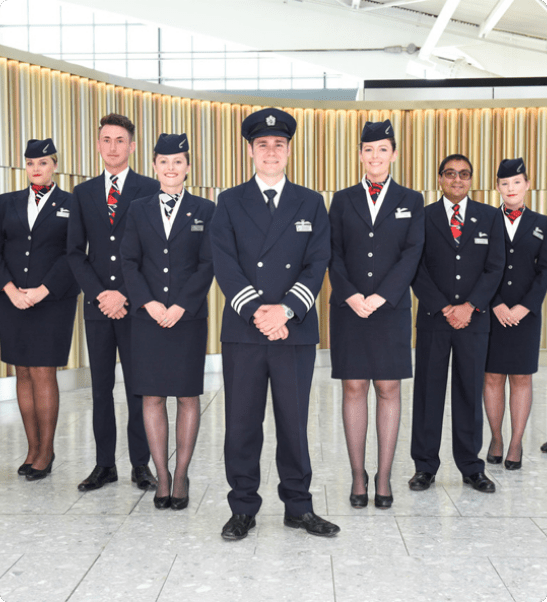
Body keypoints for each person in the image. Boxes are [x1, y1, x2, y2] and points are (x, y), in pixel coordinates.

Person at [210, 108, 339, 540]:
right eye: (262, 144)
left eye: (278, 144)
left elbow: (317, 261)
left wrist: (284, 311)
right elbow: (225, 264)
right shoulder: (230, 201)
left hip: (293, 330)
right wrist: (258, 313)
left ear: (288, 150)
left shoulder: (311, 201)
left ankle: (298, 507)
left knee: (294, 424)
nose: (270, 151)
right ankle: (242, 507)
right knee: (241, 424)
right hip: (245, 331)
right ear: (250, 151)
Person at [329, 120, 424, 509]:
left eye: (382, 149)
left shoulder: (411, 200)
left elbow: (412, 253)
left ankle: (383, 476)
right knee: (353, 388)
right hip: (349, 308)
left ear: (394, 154)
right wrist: (352, 295)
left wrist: (382, 296)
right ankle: (358, 475)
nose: (375, 156)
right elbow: (332, 252)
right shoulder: (342, 199)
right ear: (360, 154)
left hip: (391, 308)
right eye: (368, 149)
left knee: (388, 388)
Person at [121, 133, 214, 509]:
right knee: (153, 396)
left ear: (188, 166)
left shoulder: (206, 209)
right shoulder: (137, 208)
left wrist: (180, 306)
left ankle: (182, 474)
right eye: (164, 161)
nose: (171, 167)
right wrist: (148, 303)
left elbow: (208, 263)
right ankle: (162, 475)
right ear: (154, 165)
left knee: (187, 396)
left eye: (178, 161)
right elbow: (129, 261)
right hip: (148, 319)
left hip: (187, 319)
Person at [67, 114, 160, 492]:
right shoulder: (83, 192)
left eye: (120, 140)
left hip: (135, 306)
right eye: (106, 140)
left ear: (132, 146)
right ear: (98, 145)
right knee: (101, 389)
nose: (112, 147)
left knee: (139, 388)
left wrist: (124, 292)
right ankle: (104, 465)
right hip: (98, 308)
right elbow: (75, 252)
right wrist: (100, 294)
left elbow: (154, 251)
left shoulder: (150, 188)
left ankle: (141, 465)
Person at [409, 154, 505, 493]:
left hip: (474, 321)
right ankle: (424, 467)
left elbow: (495, 267)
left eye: (464, 174)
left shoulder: (490, 217)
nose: (457, 179)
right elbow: (415, 267)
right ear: (440, 179)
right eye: (450, 173)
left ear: (471, 180)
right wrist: (444, 307)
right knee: (428, 393)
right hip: (434, 319)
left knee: (468, 392)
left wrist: (470, 306)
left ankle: (471, 467)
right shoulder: (423, 217)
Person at [0, 138, 79, 480]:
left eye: (43, 162)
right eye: (31, 163)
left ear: (54, 165)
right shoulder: (6, 202)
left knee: (44, 371)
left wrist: (42, 291)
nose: (36, 168)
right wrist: (10, 290)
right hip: (11, 299)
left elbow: (74, 253)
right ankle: (31, 448)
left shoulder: (72, 204)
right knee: (22, 372)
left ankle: (46, 451)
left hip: (53, 300)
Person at [483, 158, 547, 469]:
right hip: (491, 312)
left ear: (527, 185)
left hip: (526, 315)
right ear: (497, 187)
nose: (511, 188)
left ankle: (516, 443)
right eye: (505, 183)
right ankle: (496, 438)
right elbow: (477, 267)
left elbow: (545, 271)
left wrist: (525, 306)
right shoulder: (485, 221)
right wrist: (495, 303)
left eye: (516, 182)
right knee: (492, 376)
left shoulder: (542, 223)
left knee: (521, 377)